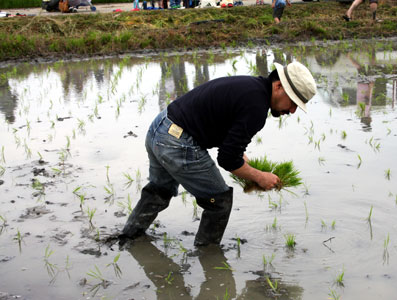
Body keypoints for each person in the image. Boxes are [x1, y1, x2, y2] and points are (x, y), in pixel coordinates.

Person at [119, 61, 317, 247]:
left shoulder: (250, 87)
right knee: (219, 201)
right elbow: (227, 160)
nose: (292, 111)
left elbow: (219, 120)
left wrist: (240, 157)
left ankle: (129, 236)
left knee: (160, 189)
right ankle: (209, 256)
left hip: (160, 128)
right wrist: (260, 177)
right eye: (292, 102)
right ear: (279, 87)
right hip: (176, 142)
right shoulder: (257, 107)